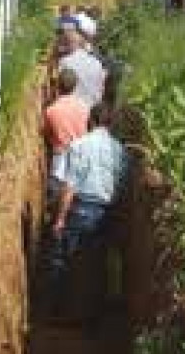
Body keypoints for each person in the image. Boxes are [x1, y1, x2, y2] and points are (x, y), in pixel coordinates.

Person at [46, 104, 130, 325]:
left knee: (65, 258)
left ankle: (58, 310)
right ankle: (94, 316)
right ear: (110, 124)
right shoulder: (120, 150)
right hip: (106, 211)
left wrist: (60, 219)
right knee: (98, 264)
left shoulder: (79, 145)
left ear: (90, 122)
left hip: (82, 209)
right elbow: (122, 187)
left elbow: (70, 186)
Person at [43, 65, 89, 199]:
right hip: (81, 157)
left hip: (60, 159)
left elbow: (46, 133)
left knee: (55, 195)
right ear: (75, 86)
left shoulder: (52, 110)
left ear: (58, 86)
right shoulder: (84, 108)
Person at [57, 27, 106, 110]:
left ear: (67, 45)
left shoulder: (65, 62)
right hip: (93, 106)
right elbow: (102, 86)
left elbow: (59, 85)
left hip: (73, 106)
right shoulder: (97, 63)